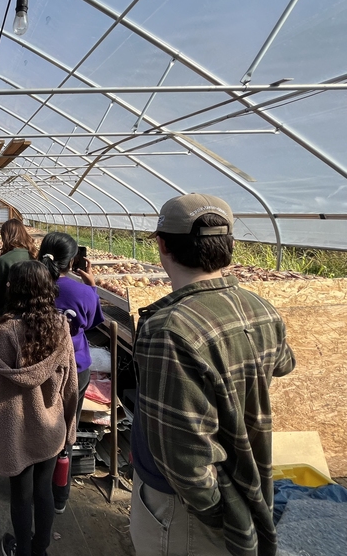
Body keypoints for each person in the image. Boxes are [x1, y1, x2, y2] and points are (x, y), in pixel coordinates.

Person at [129, 194, 296, 556]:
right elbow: (284, 364)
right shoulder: (262, 309)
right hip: (248, 474)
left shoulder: (169, 329)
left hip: (182, 509)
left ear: (162, 245)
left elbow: (182, 457)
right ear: (228, 247)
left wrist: (218, 512)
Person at [0, 261, 78, 556]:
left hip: (10, 430)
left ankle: (22, 550)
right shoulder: (59, 329)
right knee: (43, 490)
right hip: (50, 426)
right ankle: (40, 549)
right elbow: (71, 385)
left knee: (20, 495)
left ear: (13, 289)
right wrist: (69, 429)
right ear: (48, 291)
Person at [37, 232, 105, 514]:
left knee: (37, 421)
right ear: (73, 260)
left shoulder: (33, 285)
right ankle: (59, 495)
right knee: (67, 429)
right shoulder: (81, 291)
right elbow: (91, 323)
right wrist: (92, 287)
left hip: (38, 366)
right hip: (75, 366)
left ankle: (34, 486)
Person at [0, 219, 37, 323]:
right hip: (32, 317)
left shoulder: (2, 262)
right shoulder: (34, 256)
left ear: (5, 236)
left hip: (5, 318)